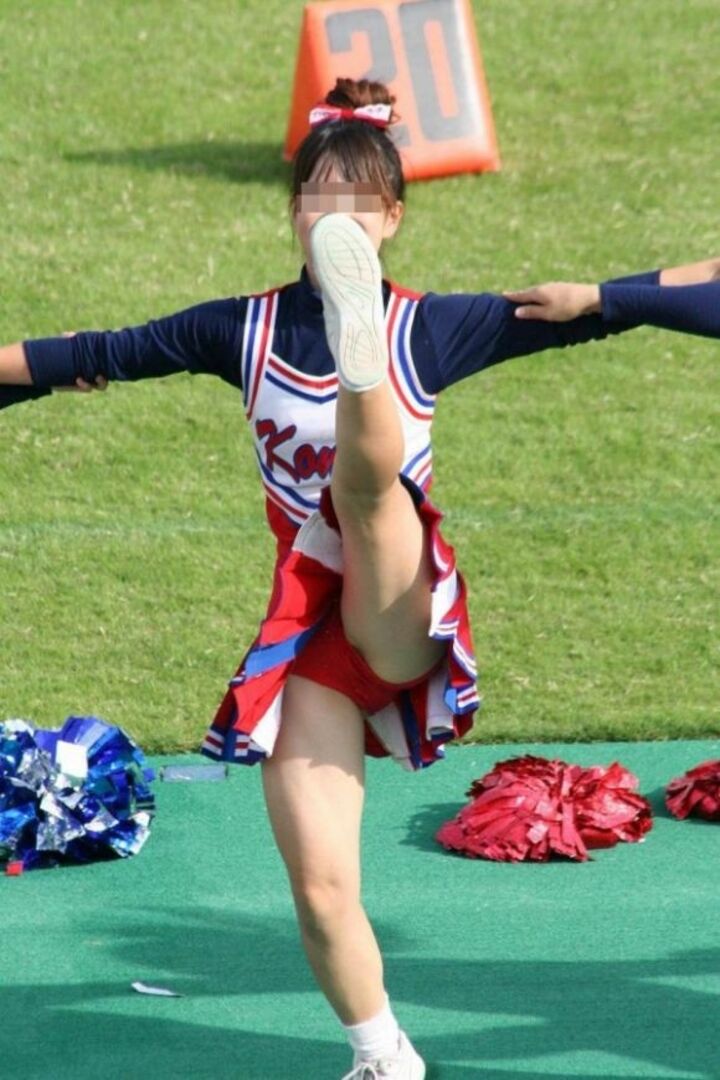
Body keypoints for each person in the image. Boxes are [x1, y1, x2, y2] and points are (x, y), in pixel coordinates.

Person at [1, 77, 719, 1080]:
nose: (334, 215)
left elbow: (644, 306)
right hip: (312, 643)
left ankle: (361, 367)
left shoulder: (435, 325)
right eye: (317, 199)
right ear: (293, 212)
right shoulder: (239, 329)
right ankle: (383, 1056)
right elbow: (89, 353)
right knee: (321, 887)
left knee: (370, 491)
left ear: (392, 219)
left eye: (356, 203)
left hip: (397, 603)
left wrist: (604, 297)